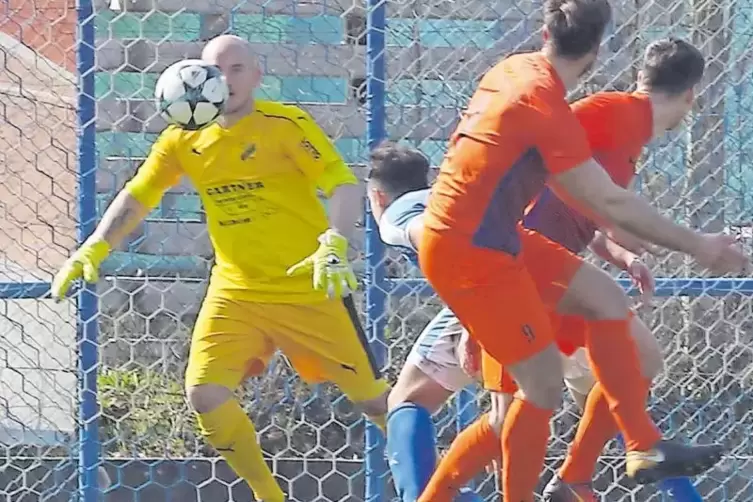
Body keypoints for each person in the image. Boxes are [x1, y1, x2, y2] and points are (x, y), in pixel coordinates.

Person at [418, 1, 748, 501]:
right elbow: (593, 193)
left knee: (612, 320)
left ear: (544, 29)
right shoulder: (583, 110)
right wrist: (695, 243)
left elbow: (559, 185)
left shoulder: (513, 72)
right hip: (481, 255)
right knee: (525, 402)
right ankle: (558, 481)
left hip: (492, 241)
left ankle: (619, 457)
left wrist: (615, 241)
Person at [51, 35, 389, 502]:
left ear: (256, 76)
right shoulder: (182, 138)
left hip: (307, 286)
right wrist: (92, 248)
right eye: (214, 69)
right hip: (237, 292)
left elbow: (343, 185)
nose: (224, 80)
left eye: (236, 68)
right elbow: (138, 195)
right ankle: (269, 496)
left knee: (376, 403)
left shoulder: (286, 124)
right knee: (205, 394)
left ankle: (446, 484)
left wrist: (334, 242)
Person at [368, 141, 597, 502]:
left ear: (377, 198)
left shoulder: (397, 216)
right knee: (606, 406)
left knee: (412, 401)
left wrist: (473, 327)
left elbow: (443, 239)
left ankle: (425, 496)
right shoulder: (448, 195)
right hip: (552, 289)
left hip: (496, 295)